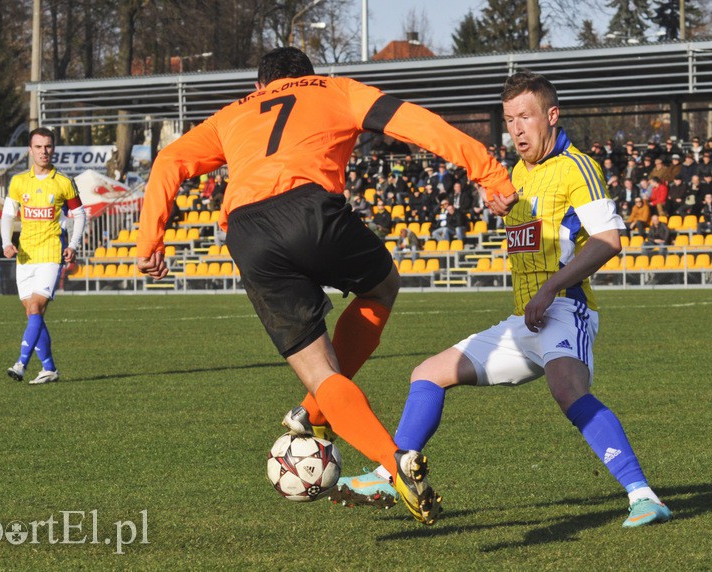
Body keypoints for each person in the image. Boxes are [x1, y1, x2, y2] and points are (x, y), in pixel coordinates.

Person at [135, 47, 517, 526]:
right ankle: (314, 413)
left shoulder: (232, 114)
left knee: (320, 372)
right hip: (310, 211)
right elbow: (418, 124)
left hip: (247, 232)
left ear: (260, 87)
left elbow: (169, 160)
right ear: (308, 77)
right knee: (381, 288)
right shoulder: (335, 89)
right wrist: (489, 171)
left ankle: (384, 454)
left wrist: (151, 238)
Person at [334, 69, 672, 528]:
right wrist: (503, 207)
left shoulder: (578, 167)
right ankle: (390, 469)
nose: (516, 128)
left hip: (566, 309)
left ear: (551, 116)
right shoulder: (517, 173)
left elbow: (608, 239)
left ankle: (644, 496)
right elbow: (534, 231)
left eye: (525, 117)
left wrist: (551, 288)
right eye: (509, 118)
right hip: (524, 320)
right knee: (428, 373)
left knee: (568, 391)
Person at [1, 127, 86, 385]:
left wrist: (73, 244)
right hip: (25, 254)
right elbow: (7, 214)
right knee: (32, 314)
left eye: (48, 146)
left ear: (53, 148)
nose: (44, 151)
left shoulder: (63, 181)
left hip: (50, 252)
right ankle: (49, 368)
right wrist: (7, 242)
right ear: (30, 150)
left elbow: (80, 214)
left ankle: (21, 363)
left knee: (36, 307)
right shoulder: (18, 182)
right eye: (38, 147)